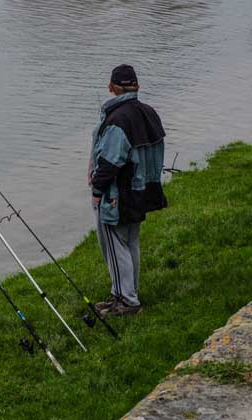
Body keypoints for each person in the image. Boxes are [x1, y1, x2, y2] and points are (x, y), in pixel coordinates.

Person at [89, 64, 167, 317]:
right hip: (141, 189)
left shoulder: (118, 119)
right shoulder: (149, 113)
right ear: (137, 86)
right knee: (130, 242)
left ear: (111, 87)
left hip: (118, 195)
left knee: (114, 244)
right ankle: (122, 294)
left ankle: (128, 301)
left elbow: (111, 162)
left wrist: (97, 191)